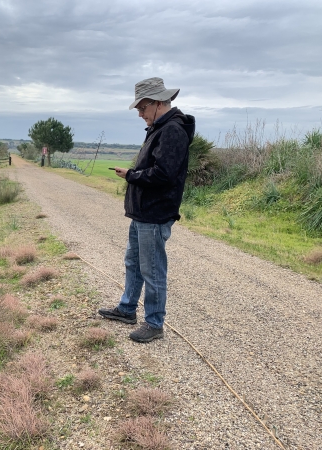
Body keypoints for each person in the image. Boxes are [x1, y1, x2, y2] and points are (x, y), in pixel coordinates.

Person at [98, 77, 195, 343]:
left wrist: (132, 175)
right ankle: (127, 309)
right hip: (143, 212)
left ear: (156, 103)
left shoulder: (172, 130)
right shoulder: (160, 128)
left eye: (142, 108)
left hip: (155, 213)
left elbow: (163, 175)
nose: (140, 114)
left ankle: (154, 323)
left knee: (152, 269)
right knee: (134, 263)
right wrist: (133, 175)